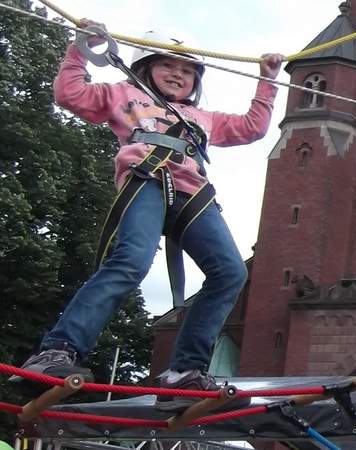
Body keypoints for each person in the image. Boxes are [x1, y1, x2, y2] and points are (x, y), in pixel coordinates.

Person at [11, 19, 284, 412]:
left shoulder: (201, 117)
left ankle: (183, 371)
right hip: (147, 180)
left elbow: (251, 128)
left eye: (187, 70)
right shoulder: (123, 94)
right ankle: (57, 350)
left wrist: (267, 80)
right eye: (168, 65)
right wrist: (81, 48)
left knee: (231, 272)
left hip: (193, 195)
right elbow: (70, 94)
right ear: (144, 67)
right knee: (131, 262)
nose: (178, 74)